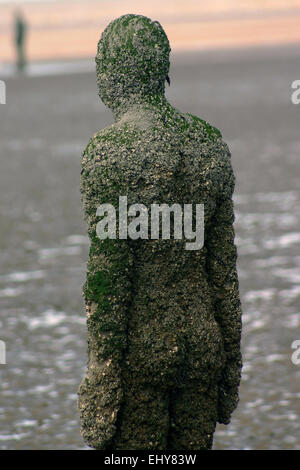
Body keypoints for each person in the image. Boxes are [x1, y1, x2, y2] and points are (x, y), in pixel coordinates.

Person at [78, 14, 242, 450]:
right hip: (203, 349)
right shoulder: (208, 142)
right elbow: (223, 271)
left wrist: (102, 378)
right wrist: (231, 365)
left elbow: (108, 281)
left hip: (141, 360)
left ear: (113, 75)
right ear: (160, 69)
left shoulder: (108, 153)